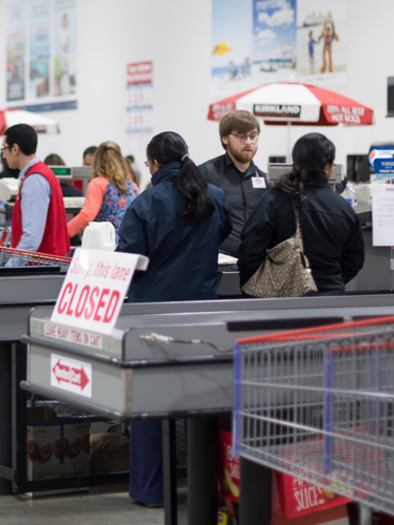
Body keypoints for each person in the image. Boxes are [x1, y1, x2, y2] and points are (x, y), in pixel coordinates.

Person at [116, 131, 231, 507]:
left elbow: (126, 261)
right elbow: (224, 233)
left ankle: (150, 490)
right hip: (203, 313)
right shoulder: (213, 197)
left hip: (153, 316)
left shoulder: (146, 203)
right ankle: (211, 486)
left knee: (150, 403)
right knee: (204, 400)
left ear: (152, 164)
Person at [238, 132, 365, 296]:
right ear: (327, 168)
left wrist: (255, 285)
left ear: (295, 163)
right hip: (330, 303)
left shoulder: (274, 200)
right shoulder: (343, 208)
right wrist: (329, 283)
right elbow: (354, 261)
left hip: (281, 304)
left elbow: (250, 249)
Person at [199, 109, 267, 258]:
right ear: (225, 138)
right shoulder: (205, 174)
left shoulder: (264, 179)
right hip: (219, 266)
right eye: (242, 136)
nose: (249, 142)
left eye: (253, 136)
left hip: (256, 265)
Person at [1, 124, 70, 256]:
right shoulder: (42, 172)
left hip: (41, 267)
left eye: (4, 149)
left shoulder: (34, 180)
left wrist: (10, 268)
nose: (3, 155)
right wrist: (1, 235)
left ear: (15, 149)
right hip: (48, 263)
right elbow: (34, 222)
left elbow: (31, 238)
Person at [68, 141, 138, 242]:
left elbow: (87, 216)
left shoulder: (98, 183)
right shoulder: (132, 186)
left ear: (97, 161)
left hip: (105, 245)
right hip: (128, 244)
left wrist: (64, 233)